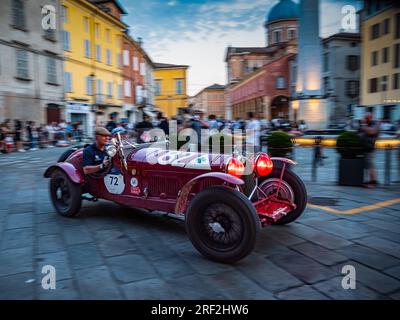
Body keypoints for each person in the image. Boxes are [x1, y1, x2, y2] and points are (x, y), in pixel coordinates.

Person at [359, 112, 380, 188]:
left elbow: (372, 131)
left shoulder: (375, 123)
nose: (366, 119)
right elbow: (360, 131)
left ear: (371, 117)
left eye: (367, 118)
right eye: (365, 118)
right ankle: (369, 181)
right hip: (365, 147)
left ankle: (373, 182)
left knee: (371, 165)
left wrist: (363, 125)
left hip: (370, 147)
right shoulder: (368, 124)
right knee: (368, 165)